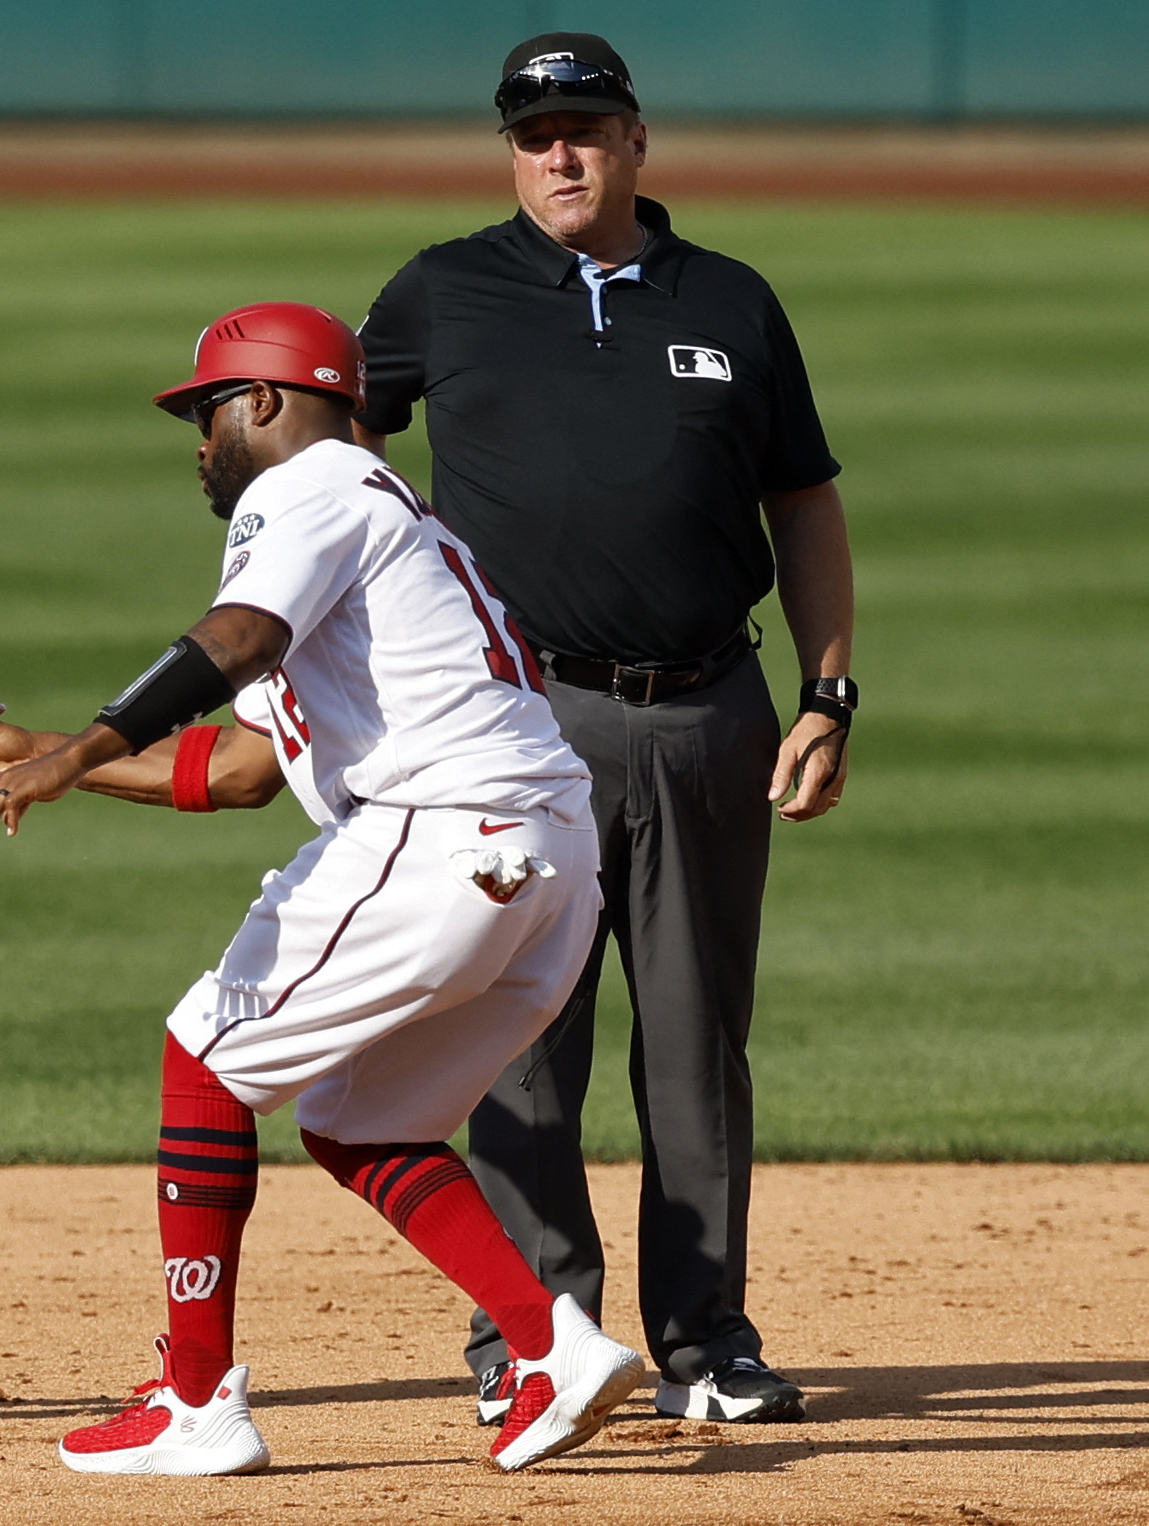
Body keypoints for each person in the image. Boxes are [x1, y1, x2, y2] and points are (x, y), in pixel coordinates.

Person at [0, 302, 645, 1477]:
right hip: (549, 857)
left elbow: (237, 637)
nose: (199, 441)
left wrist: (74, 756)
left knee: (203, 1057)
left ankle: (196, 1400)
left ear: (264, 401)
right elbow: (245, 766)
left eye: (206, 412)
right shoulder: (383, 522)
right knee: (363, 1119)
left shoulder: (311, 483)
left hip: (438, 827)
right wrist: (43, 746)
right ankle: (551, 1342)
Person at [351, 33, 856, 1427]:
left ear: (637, 139)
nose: (557, 153)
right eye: (533, 133)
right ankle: (534, 1333)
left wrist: (825, 692)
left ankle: (705, 1343)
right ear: (509, 149)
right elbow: (332, 447)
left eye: (583, 126)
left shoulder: (732, 302)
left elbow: (802, 500)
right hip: (512, 729)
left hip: (707, 715)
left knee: (696, 1043)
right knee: (518, 1034)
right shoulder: (443, 292)